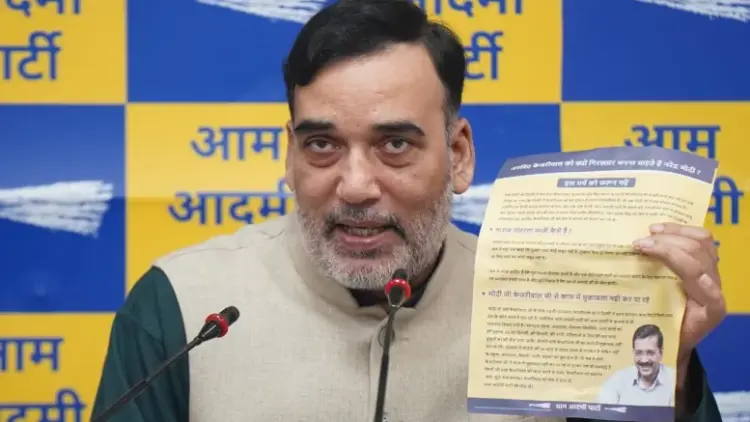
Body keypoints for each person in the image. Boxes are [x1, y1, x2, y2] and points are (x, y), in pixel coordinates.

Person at [91, 0, 727, 421]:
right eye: (321, 145)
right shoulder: (181, 307)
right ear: (289, 155)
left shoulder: (557, 304)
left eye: (394, 144)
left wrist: (667, 383)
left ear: (459, 154)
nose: (355, 186)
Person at [598, 324, 677, 406]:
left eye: (650, 353)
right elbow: (604, 413)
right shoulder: (616, 382)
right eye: (639, 353)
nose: (644, 360)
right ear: (633, 353)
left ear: (661, 353)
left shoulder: (675, 381)